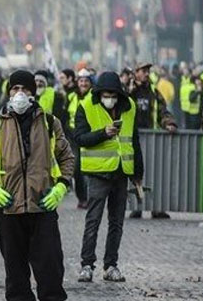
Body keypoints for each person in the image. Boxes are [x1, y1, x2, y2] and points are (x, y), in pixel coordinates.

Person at [0, 70, 74, 301]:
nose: (20, 94)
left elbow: (67, 157)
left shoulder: (49, 122)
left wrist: (61, 186)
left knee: (50, 270)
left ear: (33, 93)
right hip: (9, 208)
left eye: (25, 89)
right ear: (8, 92)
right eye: (15, 89)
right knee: (15, 275)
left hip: (42, 206)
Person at [74, 71, 144, 284]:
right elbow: (80, 138)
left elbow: (134, 140)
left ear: (119, 95)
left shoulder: (129, 107)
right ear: (99, 94)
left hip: (121, 172)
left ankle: (111, 265)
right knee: (93, 221)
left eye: (113, 95)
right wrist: (103, 133)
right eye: (105, 95)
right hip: (98, 173)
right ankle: (87, 265)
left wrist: (138, 174)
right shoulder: (86, 106)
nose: (109, 98)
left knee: (117, 223)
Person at [128, 63, 176, 219]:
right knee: (136, 174)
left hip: (152, 139)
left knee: (156, 173)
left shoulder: (153, 91)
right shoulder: (128, 91)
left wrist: (169, 123)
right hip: (132, 139)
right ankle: (137, 207)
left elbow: (163, 111)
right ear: (136, 73)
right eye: (143, 71)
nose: (147, 73)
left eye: (148, 71)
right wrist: (131, 89)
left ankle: (156, 208)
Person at [67, 69, 93, 209]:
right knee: (76, 169)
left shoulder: (94, 97)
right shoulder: (71, 97)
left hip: (88, 136)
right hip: (73, 137)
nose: (83, 84)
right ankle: (82, 198)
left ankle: (90, 198)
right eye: (81, 81)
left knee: (89, 170)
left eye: (86, 81)